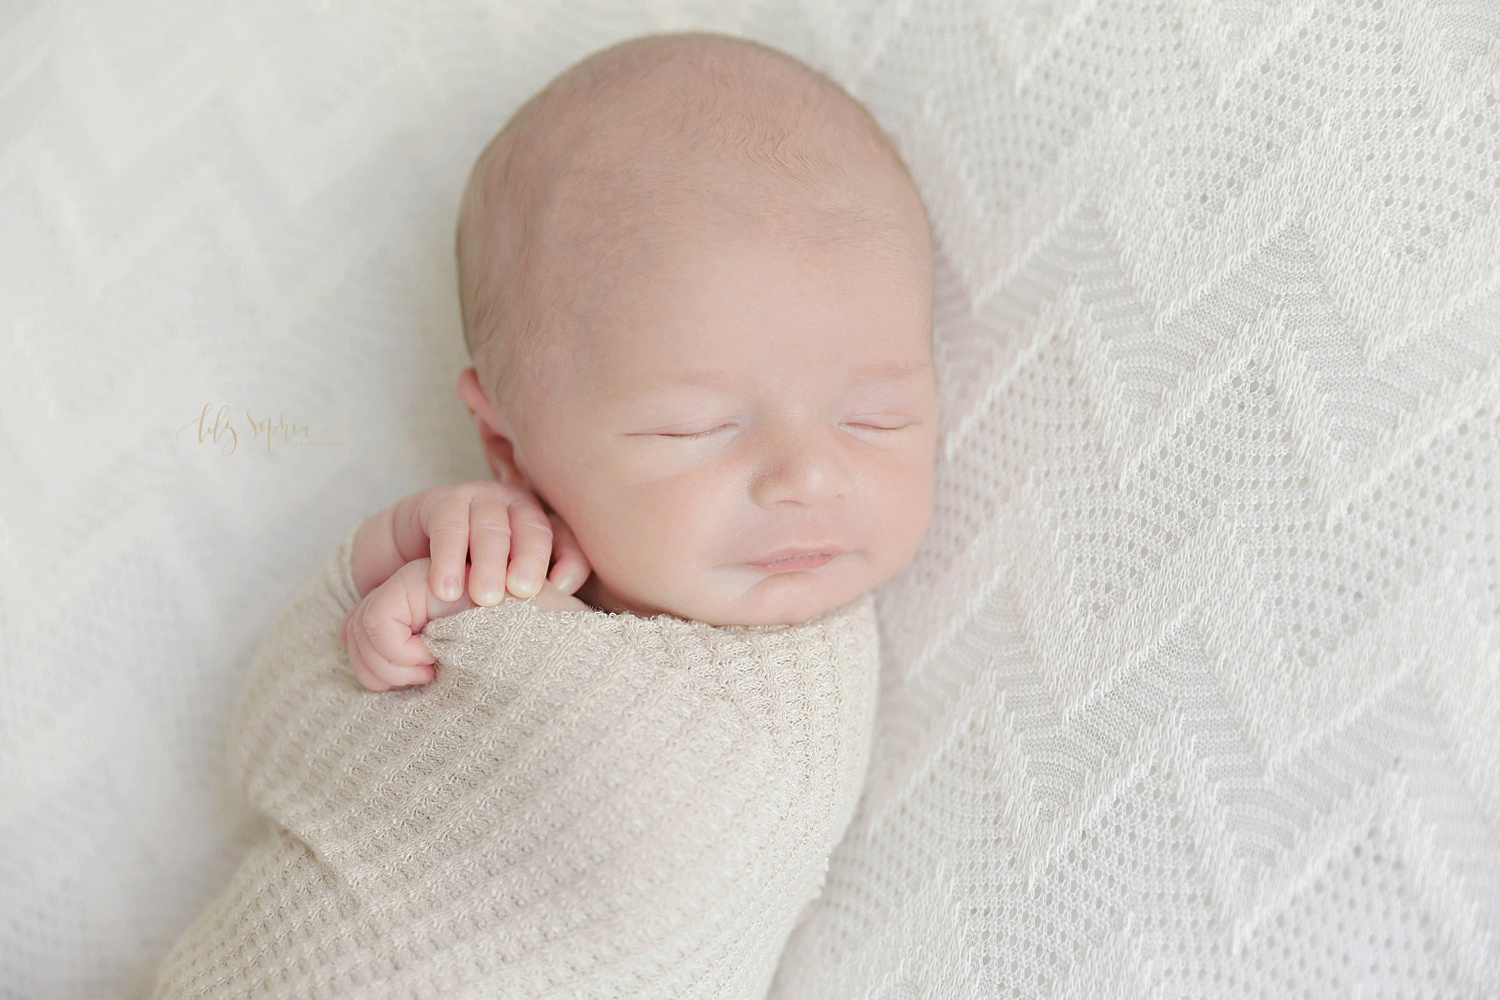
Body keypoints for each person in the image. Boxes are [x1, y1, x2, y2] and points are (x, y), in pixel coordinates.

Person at [338, 28, 939, 691]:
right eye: (696, 426)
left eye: (876, 418)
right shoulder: (488, 567)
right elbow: (277, 730)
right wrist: (388, 561)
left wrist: (515, 635)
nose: (810, 477)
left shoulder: (803, 689)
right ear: (505, 446)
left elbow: (652, 775)